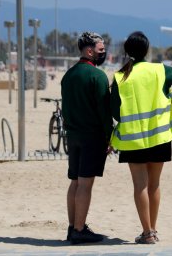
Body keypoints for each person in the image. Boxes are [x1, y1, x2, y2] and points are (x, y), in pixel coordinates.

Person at [110, 31, 172, 244]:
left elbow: (116, 112)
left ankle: (146, 233)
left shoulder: (120, 77)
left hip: (132, 139)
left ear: (127, 51)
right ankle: (153, 231)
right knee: (154, 184)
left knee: (140, 186)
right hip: (159, 136)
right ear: (147, 50)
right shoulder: (159, 70)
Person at [61, 32, 113, 245]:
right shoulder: (97, 76)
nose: (104, 53)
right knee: (85, 184)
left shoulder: (69, 75)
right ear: (90, 51)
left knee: (74, 182)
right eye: (101, 50)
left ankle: (73, 227)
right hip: (92, 137)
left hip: (72, 136)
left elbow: (65, 108)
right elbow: (104, 111)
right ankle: (80, 229)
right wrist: (110, 138)